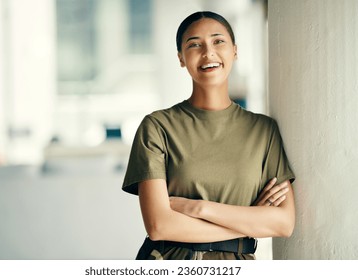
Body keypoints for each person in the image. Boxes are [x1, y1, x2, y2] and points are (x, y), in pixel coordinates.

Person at [122, 11, 295, 260]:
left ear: (235, 50)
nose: (208, 53)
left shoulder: (263, 130)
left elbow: (283, 223)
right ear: (181, 58)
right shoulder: (157, 127)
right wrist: (249, 221)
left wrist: (197, 208)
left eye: (218, 41)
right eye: (194, 45)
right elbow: (160, 226)